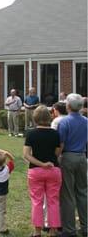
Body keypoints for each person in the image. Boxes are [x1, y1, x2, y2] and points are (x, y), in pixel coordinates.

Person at [23, 105, 62, 237]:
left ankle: (37, 231)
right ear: (49, 117)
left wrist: (41, 164)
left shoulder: (31, 133)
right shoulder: (56, 134)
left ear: (35, 118)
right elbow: (58, 151)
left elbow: (27, 155)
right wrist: (48, 163)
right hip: (53, 169)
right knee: (53, 201)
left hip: (36, 171)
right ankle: (53, 231)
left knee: (37, 201)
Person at [58, 93, 88, 237]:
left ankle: (69, 229)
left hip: (68, 157)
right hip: (82, 157)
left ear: (68, 106)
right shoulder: (86, 121)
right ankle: (85, 226)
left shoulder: (64, 122)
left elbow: (61, 144)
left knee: (68, 194)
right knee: (82, 193)